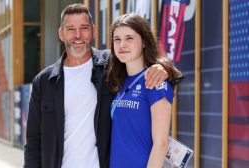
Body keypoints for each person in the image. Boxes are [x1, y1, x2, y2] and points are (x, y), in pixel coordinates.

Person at [24, 3, 178, 168]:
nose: (78, 35)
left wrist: (162, 68)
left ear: (93, 31)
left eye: (84, 28)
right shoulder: (44, 81)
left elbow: (141, 64)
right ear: (61, 34)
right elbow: (33, 141)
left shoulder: (111, 66)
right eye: (70, 29)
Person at [106, 13, 182, 168]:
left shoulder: (155, 81)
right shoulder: (120, 82)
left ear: (144, 42)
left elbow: (161, 144)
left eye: (129, 38)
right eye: (117, 39)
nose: (122, 45)